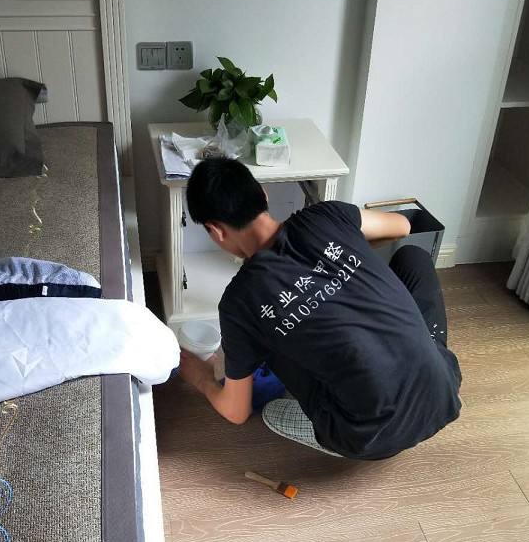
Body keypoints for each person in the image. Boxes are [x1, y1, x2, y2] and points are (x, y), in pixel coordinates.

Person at [178, 156, 462, 460]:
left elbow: (236, 412)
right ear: (263, 194)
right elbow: (402, 226)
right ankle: (422, 363)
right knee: (414, 257)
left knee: (269, 342)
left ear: (216, 230)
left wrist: (201, 377)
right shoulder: (327, 215)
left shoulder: (239, 303)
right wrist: (345, 257)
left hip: (362, 437)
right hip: (442, 392)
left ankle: (329, 429)